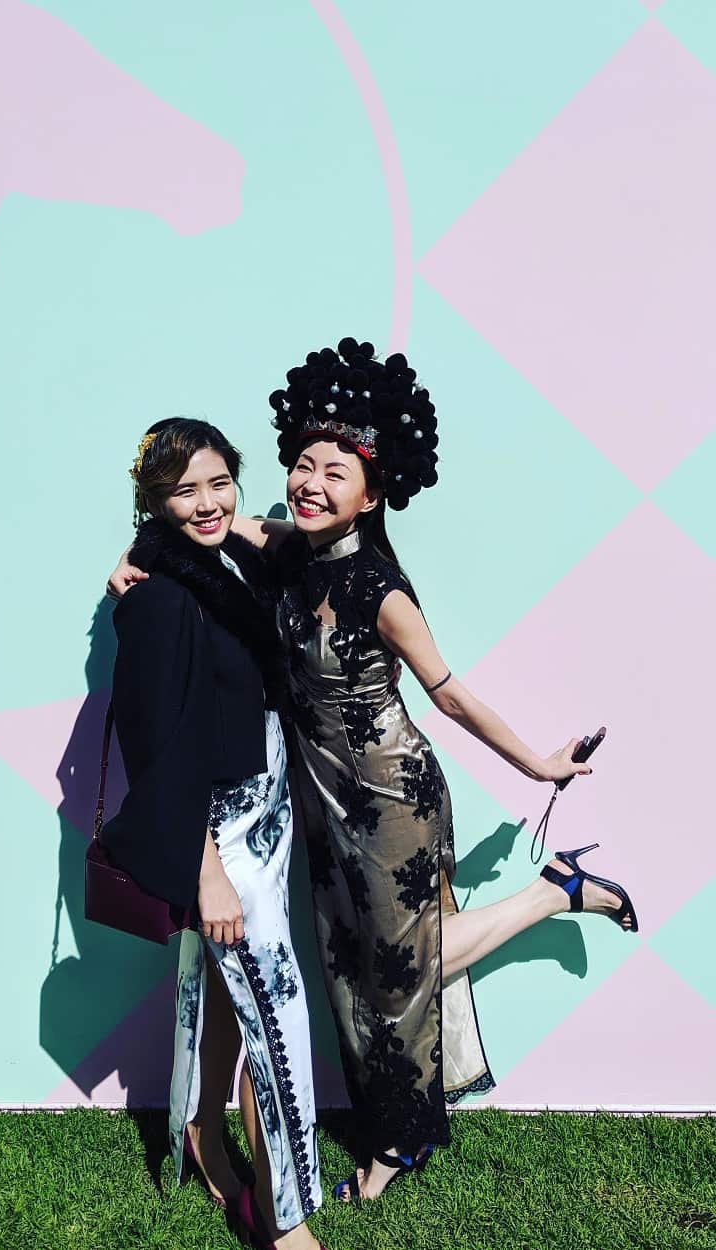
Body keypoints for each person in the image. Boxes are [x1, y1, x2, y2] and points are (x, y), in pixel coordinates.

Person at [108, 340, 638, 1209]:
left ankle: (403, 1133)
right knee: (350, 965)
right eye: (303, 465)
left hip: (393, 793)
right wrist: (131, 564)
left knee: (396, 972)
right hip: (320, 792)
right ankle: (557, 893)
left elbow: (453, 698)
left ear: (374, 489)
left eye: (335, 472)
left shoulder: (380, 588)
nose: (312, 483)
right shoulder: (286, 547)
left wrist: (540, 764)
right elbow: (193, 523)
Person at [100, 418, 327, 1250]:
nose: (206, 502)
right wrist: (206, 875)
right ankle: (288, 1218)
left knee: (222, 999)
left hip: (266, 809)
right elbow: (159, 747)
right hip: (221, 831)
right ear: (152, 503)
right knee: (278, 1012)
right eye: (182, 490)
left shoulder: (233, 558)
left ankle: (197, 1130)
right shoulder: (159, 595)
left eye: (218, 481)